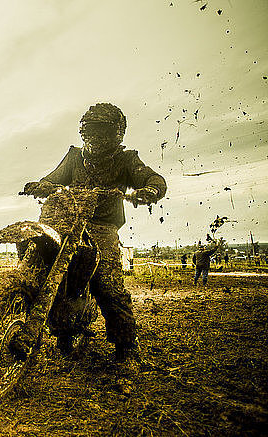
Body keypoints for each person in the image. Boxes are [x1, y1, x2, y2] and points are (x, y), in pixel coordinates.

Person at [21, 102, 167, 364]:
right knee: (37, 255)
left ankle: (126, 345)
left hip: (102, 225)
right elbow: (54, 178)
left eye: (103, 132)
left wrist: (150, 191)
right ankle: (23, 305)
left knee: (108, 284)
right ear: (82, 133)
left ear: (117, 134)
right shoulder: (75, 157)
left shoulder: (126, 159)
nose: (96, 138)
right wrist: (42, 185)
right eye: (90, 132)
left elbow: (152, 178)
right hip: (65, 220)